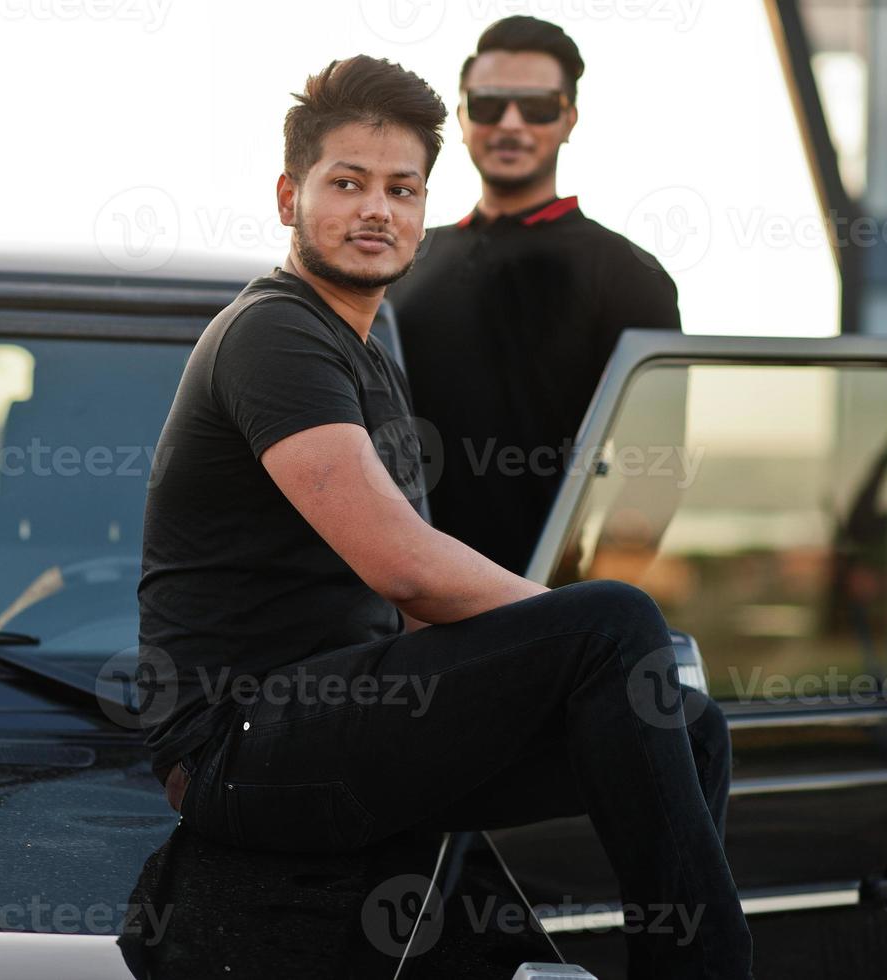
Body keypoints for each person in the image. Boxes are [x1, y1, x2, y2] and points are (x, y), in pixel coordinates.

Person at [135, 54, 752, 979]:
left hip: (345, 717)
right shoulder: (273, 330)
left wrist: (585, 664)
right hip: (240, 743)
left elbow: (420, 611)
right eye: (345, 184)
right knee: (617, 621)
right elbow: (406, 569)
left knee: (683, 718)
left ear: (424, 206)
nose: (376, 210)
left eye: (401, 188)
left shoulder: (366, 348)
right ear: (286, 196)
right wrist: (584, 635)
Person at [386, 16, 684, 577]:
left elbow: (657, 468)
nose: (512, 124)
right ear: (463, 114)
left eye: (538, 107)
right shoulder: (403, 261)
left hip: (539, 602)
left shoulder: (627, 272)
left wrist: (592, 608)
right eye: (490, 104)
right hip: (395, 600)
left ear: (569, 118)